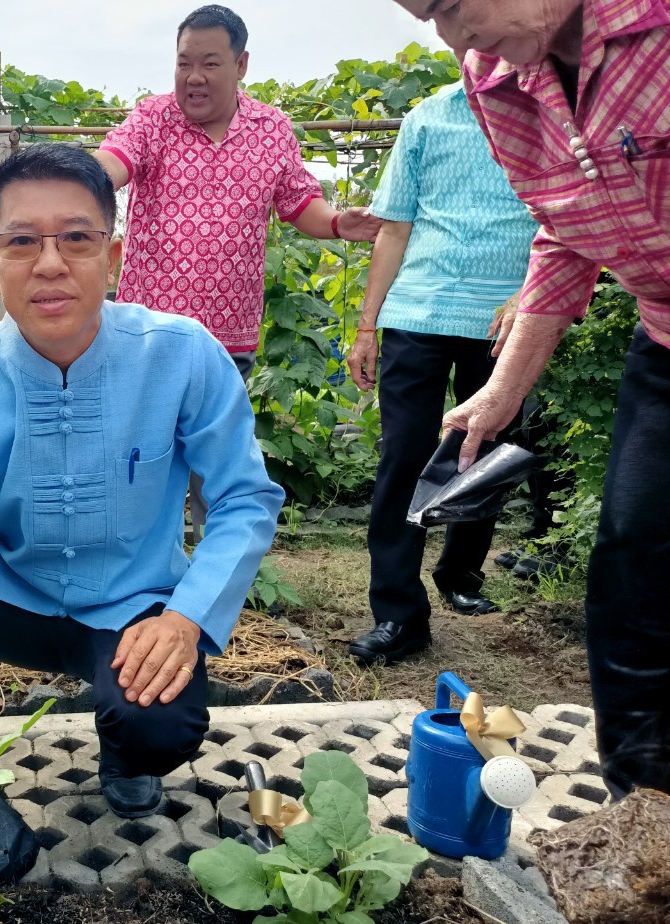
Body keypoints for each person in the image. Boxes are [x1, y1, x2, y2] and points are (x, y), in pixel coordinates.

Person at [0, 144, 284, 924]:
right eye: (21, 241)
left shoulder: (182, 357)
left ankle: (126, 746)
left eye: (76, 239)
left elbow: (246, 499)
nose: (50, 264)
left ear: (112, 254)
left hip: (134, 612)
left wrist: (184, 618)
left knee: (158, 726)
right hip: (13, 603)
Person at [391, 0, 670, 796]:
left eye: (449, 5)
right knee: (634, 572)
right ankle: (644, 818)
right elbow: (563, 227)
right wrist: (501, 393)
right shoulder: (495, 75)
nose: (451, 39)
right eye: (425, 17)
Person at [93, 5, 382, 539]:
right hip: (146, 334)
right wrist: (85, 184)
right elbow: (114, 161)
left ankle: (209, 586)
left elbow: (300, 205)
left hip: (227, 338)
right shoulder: (153, 117)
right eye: (183, 63)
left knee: (215, 465)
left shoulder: (271, 128)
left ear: (241, 64)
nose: (193, 77)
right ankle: (138, 575)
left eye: (209, 63)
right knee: (141, 458)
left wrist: (341, 223)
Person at [344, 79, 540, 665]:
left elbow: (558, 224)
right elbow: (396, 228)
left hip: (506, 319)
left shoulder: (545, 115)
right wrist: (367, 325)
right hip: (418, 311)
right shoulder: (427, 118)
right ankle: (399, 615)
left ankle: (461, 572)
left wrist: (531, 298)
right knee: (403, 454)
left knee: (484, 450)